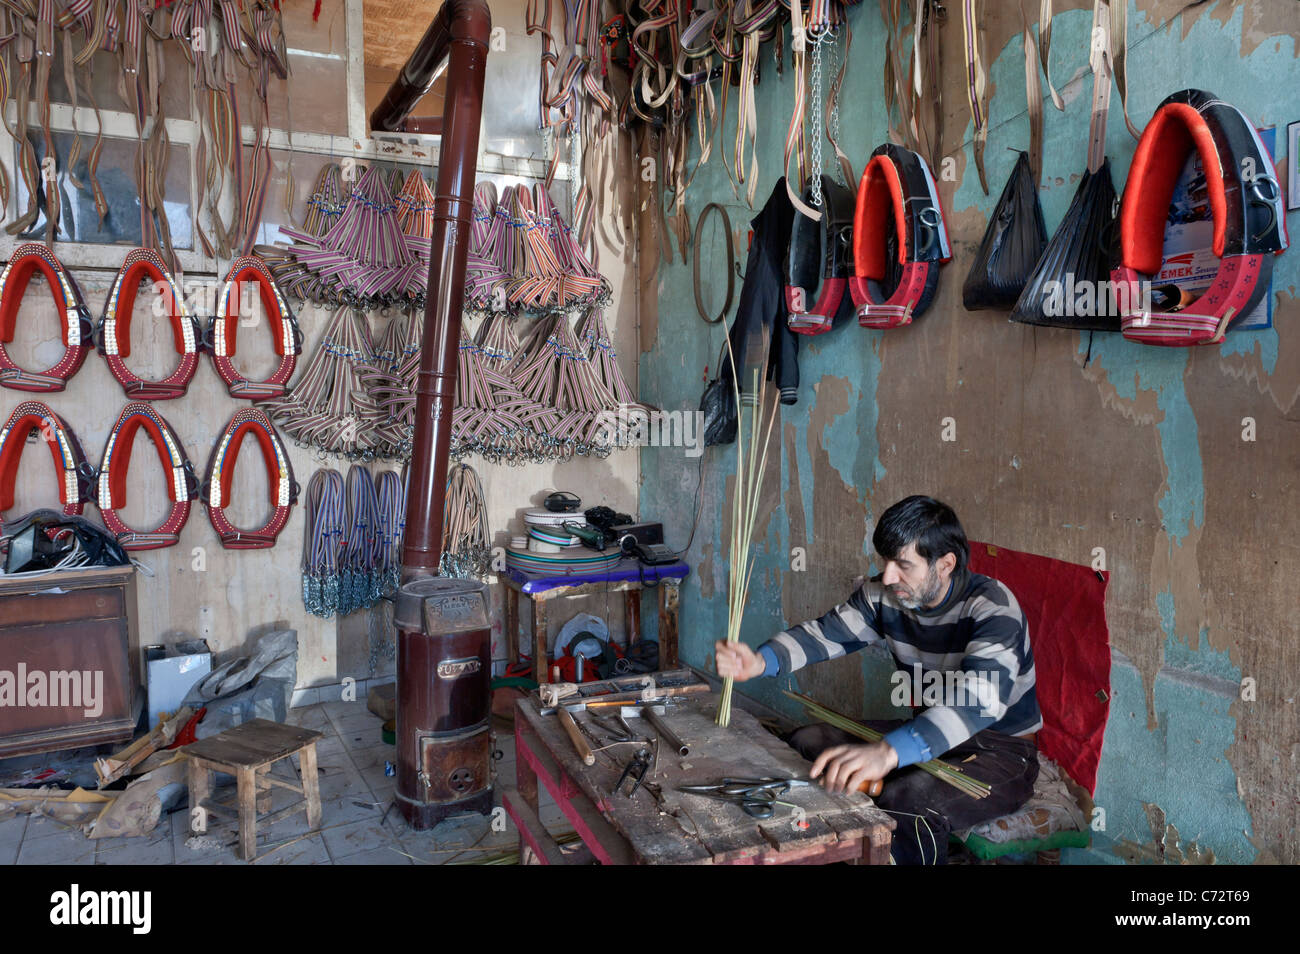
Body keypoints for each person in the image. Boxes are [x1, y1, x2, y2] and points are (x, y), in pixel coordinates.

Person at [715, 495, 1041, 864]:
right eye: (886, 562)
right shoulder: (885, 596)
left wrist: (888, 752)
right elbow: (826, 634)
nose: (888, 576)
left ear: (945, 564)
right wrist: (760, 660)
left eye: (903, 565)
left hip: (999, 751)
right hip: (925, 734)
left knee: (909, 803)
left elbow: (979, 701)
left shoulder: (993, 607)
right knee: (807, 741)